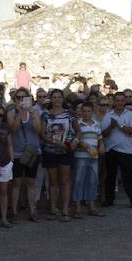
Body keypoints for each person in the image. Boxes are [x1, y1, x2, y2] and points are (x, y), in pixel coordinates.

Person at [40, 89, 78, 222]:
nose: (57, 99)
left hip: (65, 151)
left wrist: (75, 141)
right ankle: (53, 209)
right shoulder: (45, 115)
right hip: (50, 151)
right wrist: (55, 143)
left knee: (65, 181)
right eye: (54, 97)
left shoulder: (70, 115)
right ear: (51, 99)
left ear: (63, 99)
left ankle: (65, 210)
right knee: (52, 182)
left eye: (59, 97)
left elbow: (78, 131)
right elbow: (42, 134)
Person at [7, 88, 43, 222]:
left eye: (24, 97)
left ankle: (32, 210)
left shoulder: (35, 112)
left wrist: (31, 113)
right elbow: (13, 129)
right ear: (15, 99)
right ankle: (15, 212)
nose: (21, 100)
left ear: (29, 98)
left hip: (32, 151)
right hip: (17, 152)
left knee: (31, 182)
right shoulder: (11, 112)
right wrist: (19, 114)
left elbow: (38, 130)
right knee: (16, 182)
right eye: (18, 97)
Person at [102, 91, 132, 208]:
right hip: (111, 150)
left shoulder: (131, 115)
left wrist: (119, 126)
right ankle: (109, 200)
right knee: (110, 177)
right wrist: (111, 126)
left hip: (126, 150)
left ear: (125, 102)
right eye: (117, 100)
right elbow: (103, 133)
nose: (119, 103)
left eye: (122, 100)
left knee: (128, 177)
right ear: (114, 101)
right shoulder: (108, 115)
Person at [72, 102, 103, 217]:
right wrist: (81, 143)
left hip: (93, 156)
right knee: (79, 180)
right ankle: (78, 207)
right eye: (83, 111)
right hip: (81, 156)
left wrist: (101, 145)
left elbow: (99, 137)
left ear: (92, 112)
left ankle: (92, 206)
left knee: (93, 180)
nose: (86, 113)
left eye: (88, 111)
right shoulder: (77, 124)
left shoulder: (96, 124)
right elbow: (74, 138)